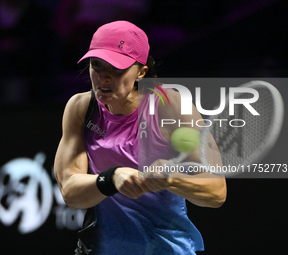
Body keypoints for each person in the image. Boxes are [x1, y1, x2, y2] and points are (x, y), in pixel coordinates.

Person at [54, 20, 227, 255]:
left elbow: (216, 192)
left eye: (116, 69)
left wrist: (170, 180)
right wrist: (111, 178)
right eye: (96, 65)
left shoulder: (171, 106)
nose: (103, 78)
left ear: (141, 72)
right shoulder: (81, 108)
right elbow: (70, 192)